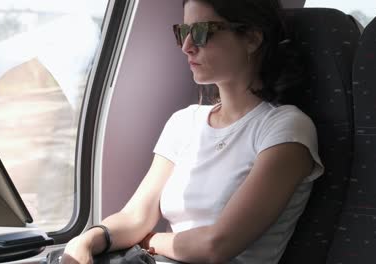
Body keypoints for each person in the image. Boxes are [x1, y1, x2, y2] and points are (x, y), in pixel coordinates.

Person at [62, 0, 324, 263]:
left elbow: (216, 246)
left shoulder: (286, 128)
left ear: (251, 39)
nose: (187, 46)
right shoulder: (185, 122)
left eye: (201, 32)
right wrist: (86, 241)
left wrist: (148, 241)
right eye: (182, 32)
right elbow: (136, 216)